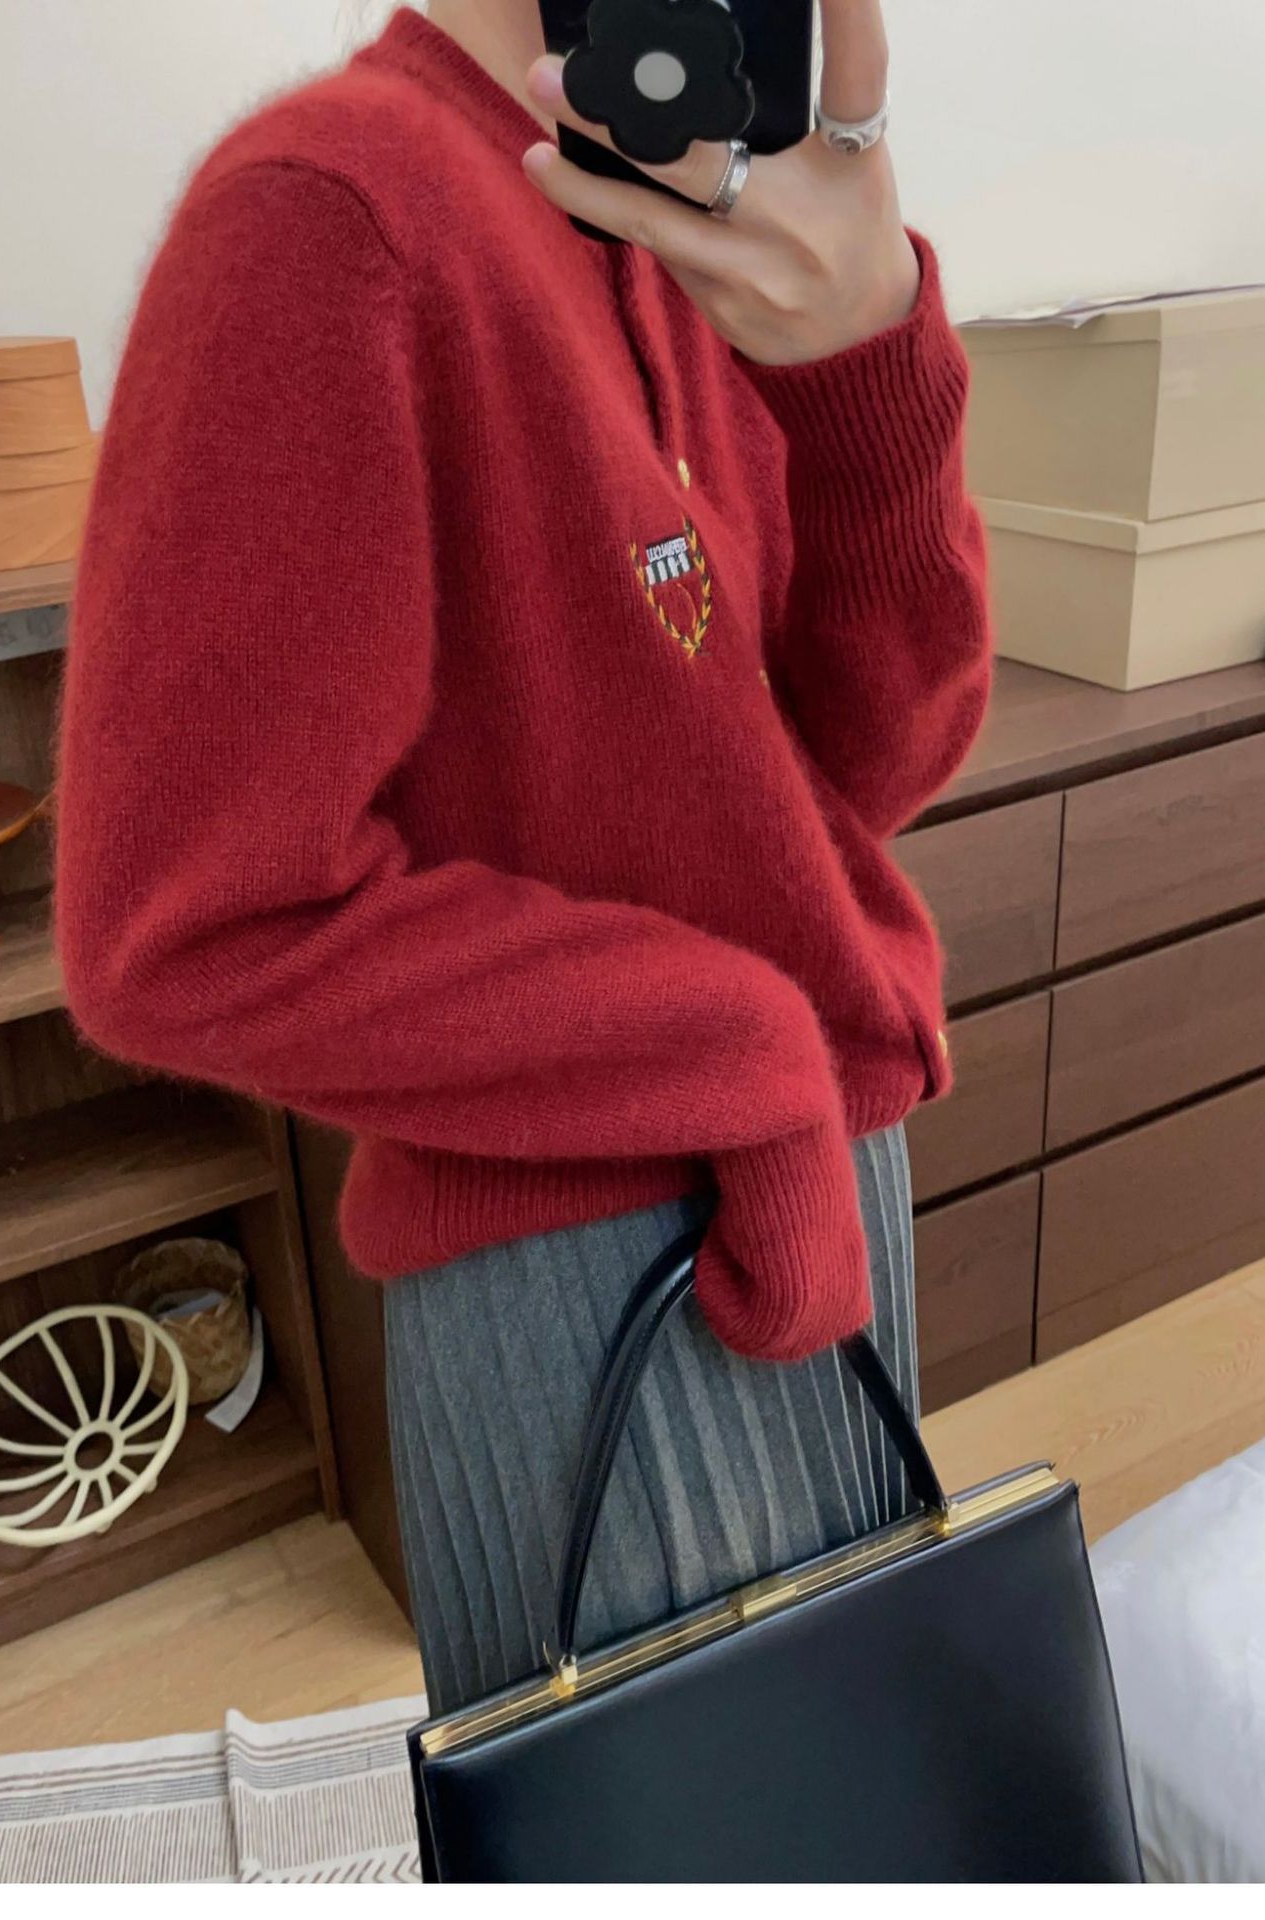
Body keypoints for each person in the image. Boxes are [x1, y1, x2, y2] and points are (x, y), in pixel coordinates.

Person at [57, 0, 990, 1719]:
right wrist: (742, 1055)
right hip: (596, 1244)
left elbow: (863, 766)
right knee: (671, 1814)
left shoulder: (681, 219)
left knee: (846, 1768)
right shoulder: (326, 212)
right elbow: (185, 928)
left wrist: (865, 367)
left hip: (819, 1176)